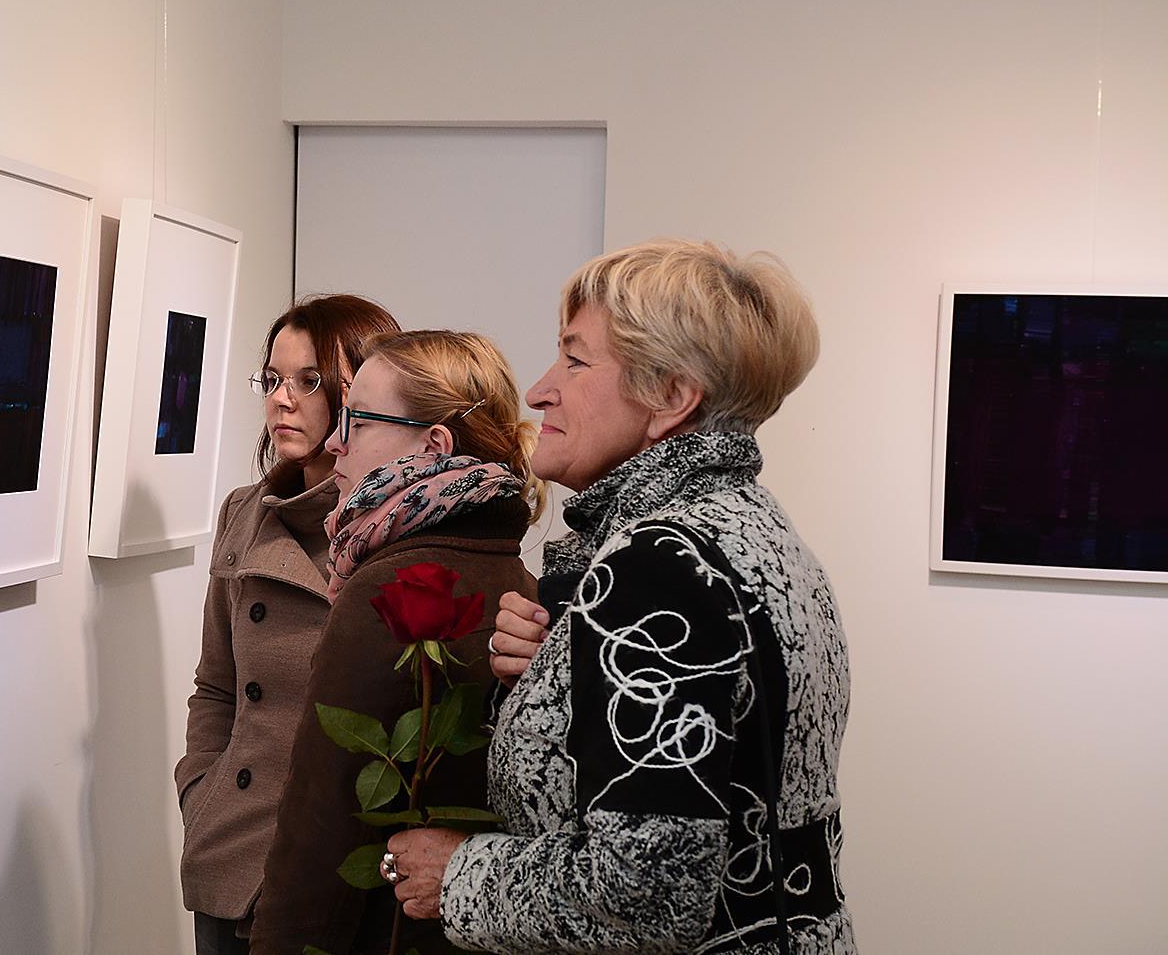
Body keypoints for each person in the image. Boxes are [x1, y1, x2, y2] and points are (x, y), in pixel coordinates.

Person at [379, 240, 854, 954]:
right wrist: (563, 677)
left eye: (575, 360)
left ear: (672, 397)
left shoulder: (658, 565)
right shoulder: (756, 528)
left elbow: (648, 892)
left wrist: (458, 872)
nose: (539, 391)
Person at [249, 330, 545, 955]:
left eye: (357, 421)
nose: (336, 442)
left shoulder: (389, 583)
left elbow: (320, 826)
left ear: (433, 446)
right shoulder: (516, 576)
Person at [177, 294, 400, 955]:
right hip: (233, 852)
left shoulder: (396, 524)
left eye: (309, 381)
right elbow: (217, 685)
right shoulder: (244, 512)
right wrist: (201, 792)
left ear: (364, 392)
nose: (281, 400)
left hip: (344, 869)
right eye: (273, 379)